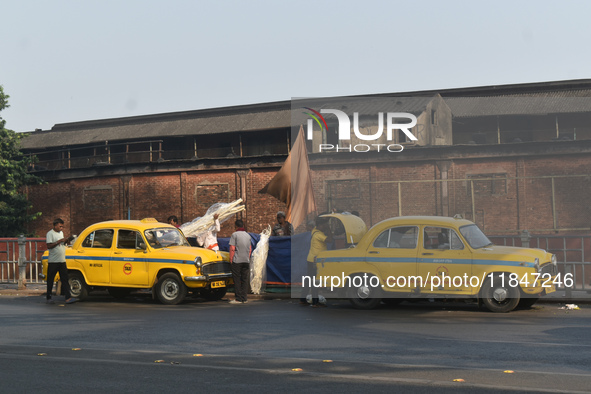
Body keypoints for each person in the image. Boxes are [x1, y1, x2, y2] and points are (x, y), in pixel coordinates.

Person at [301, 216, 333, 307]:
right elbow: (330, 240)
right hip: (315, 261)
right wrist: (329, 228)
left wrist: (324, 224)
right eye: (324, 225)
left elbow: (321, 229)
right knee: (314, 282)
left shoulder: (315, 230)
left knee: (309, 281)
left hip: (310, 259)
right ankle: (315, 302)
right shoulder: (319, 235)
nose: (325, 226)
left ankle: (302, 299)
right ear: (320, 225)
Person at [46, 218, 78, 304]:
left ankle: (68, 297)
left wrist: (67, 240)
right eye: (60, 226)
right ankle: (48, 297)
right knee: (50, 279)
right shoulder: (50, 234)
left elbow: (63, 244)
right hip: (53, 261)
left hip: (62, 260)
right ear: (55, 225)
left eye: (62, 227)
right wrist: (59, 241)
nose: (61, 228)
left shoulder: (61, 233)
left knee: (65, 279)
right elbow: (49, 246)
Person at [229, 219, 252, 304]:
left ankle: (238, 298)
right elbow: (250, 249)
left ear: (236, 226)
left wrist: (231, 260)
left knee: (237, 279)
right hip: (246, 260)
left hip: (237, 260)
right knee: (245, 279)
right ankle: (244, 298)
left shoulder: (234, 235)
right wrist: (247, 258)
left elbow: (232, 249)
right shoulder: (248, 235)